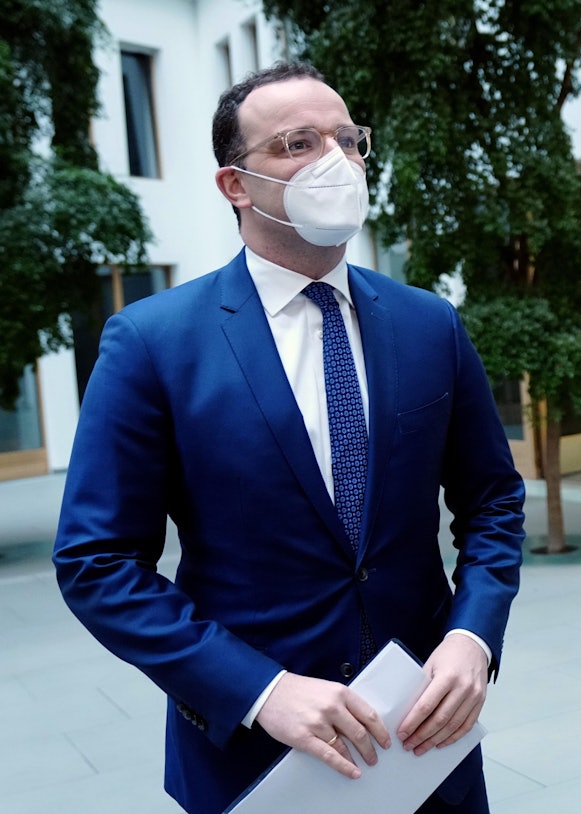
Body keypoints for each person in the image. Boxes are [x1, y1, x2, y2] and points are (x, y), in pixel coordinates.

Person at [53, 61, 524, 814]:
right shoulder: (151, 341)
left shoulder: (427, 322)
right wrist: (257, 690)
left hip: (425, 735)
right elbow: (97, 563)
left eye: (348, 139)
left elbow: (493, 500)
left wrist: (473, 638)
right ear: (235, 185)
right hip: (258, 754)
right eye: (297, 143)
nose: (334, 161)